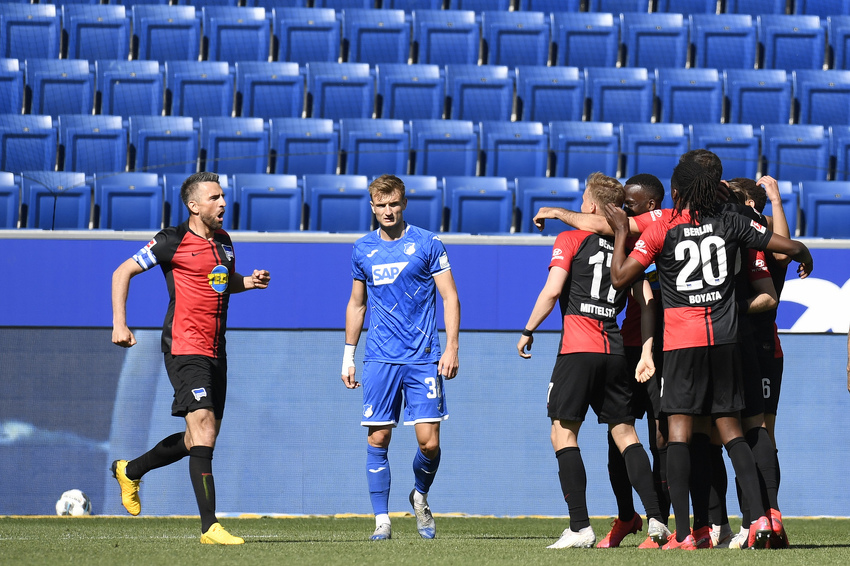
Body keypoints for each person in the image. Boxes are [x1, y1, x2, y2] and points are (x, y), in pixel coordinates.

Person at [603, 160, 813, 550]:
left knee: (678, 434)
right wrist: (802, 251)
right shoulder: (730, 223)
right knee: (733, 430)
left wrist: (619, 233)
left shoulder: (661, 227)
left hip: (682, 342)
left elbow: (620, 277)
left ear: (677, 194)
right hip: (726, 341)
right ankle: (760, 521)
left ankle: (684, 533)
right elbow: (781, 246)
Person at [110, 172, 270, 545]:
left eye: (223, 196)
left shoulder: (225, 243)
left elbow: (221, 281)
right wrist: (120, 323)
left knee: (197, 437)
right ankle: (209, 527)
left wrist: (247, 281)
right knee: (204, 429)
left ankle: (129, 470)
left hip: (217, 351)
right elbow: (123, 272)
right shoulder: (171, 240)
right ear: (193, 206)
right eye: (214, 198)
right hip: (184, 347)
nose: (223, 203)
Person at [517, 173, 670, 550]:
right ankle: (655, 520)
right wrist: (647, 348)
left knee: (563, 433)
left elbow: (553, 291)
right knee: (625, 434)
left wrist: (528, 329)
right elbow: (646, 301)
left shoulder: (570, 238)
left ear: (589, 206)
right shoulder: (629, 246)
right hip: (615, 351)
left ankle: (580, 527)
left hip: (577, 350)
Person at [342, 174, 460, 541]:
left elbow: (450, 297)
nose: (388, 211)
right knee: (377, 439)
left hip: (423, 356)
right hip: (379, 358)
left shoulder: (428, 243)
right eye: (381, 205)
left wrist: (452, 346)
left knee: (430, 442)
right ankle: (382, 520)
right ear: (372, 207)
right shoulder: (362, 249)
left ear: (403, 203)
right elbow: (357, 304)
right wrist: (348, 356)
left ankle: (419, 496)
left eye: (394, 204)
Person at [597, 174, 671, 548]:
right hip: (627, 349)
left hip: (662, 350)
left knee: (662, 438)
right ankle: (628, 516)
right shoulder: (631, 243)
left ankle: (662, 522)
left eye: (630, 204)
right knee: (617, 436)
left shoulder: (666, 227)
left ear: (652, 206)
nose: (624, 210)